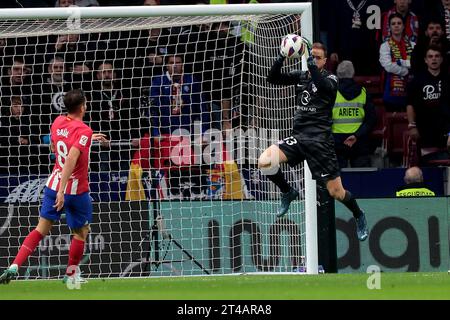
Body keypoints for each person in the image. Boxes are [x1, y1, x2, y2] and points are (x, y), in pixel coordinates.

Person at [259, 40, 369, 241]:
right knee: (265, 161)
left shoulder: (332, 79)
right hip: (299, 138)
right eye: (312, 56)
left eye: (318, 58)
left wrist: (310, 65)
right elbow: (272, 78)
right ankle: (288, 191)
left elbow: (322, 85)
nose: (314, 60)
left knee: (336, 192)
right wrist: (282, 56)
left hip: (320, 143)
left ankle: (358, 214)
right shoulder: (301, 77)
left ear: (325, 61)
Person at [0, 89, 108, 285]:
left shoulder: (58, 122)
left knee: (40, 229)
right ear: (83, 106)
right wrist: (63, 191)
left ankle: (14, 265)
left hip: (53, 184)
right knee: (81, 231)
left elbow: (55, 147)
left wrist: (88, 141)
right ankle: (71, 275)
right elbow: (72, 159)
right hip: (75, 190)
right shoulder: (84, 130)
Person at [406, 45, 450, 165]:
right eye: (430, 56)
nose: (434, 59)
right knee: (428, 167)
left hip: (446, 131)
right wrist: (412, 126)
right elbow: (410, 104)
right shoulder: (417, 81)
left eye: (437, 56)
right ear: (425, 60)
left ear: (441, 59)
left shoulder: (448, 79)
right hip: (425, 131)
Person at [332, 60, 376, 168]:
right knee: (362, 180)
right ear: (353, 73)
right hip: (359, 142)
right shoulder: (364, 92)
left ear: (338, 74)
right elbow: (371, 119)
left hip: (337, 143)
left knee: (337, 180)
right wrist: (356, 135)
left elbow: (324, 119)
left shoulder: (332, 92)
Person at [379, 13, 415, 112]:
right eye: (393, 23)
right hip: (392, 92)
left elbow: (417, 64)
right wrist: (406, 71)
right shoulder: (385, 46)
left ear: (403, 26)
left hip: (411, 89)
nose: (396, 25)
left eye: (399, 23)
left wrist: (402, 63)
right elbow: (388, 66)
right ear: (389, 27)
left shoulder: (413, 45)